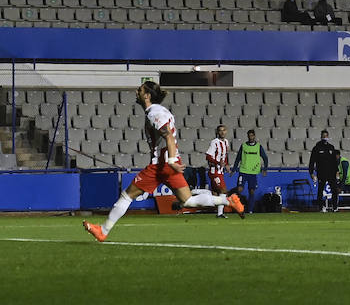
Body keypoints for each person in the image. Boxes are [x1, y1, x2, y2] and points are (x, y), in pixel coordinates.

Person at [84, 82, 243, 242]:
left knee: (127, 196)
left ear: (147, 95)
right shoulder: (160, 111)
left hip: (161, 164)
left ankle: (103, 231)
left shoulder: (154, 112)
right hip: (168, 163)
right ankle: (227, 200)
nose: (136, 92)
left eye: (139, 90)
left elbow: (168, 136)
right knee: (188, 200)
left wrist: (171, 160)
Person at [232, 129, 267, 214]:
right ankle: (238, 208)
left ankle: (250, 210)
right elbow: (238, 158)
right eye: (249, 136)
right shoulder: (244, 146)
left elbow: (265, 158)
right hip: (243, 171)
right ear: (247, 136)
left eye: (252, 135)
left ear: (254, 136)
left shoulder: (258, 146)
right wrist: (234, 169)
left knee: (251, 191)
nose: (250, 137)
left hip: (253, 172)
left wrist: (265, 169)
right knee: (239, 189)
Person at [308, 131, 342, 212]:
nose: (325, 137)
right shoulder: (317, 148)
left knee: (334, 190)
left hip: (331, 173)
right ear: (321, 136)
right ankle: (321, 207)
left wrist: (337, 171)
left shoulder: (331, 147)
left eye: (326, 136)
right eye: (323, 136)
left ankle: (335, 207)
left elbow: (334, 161)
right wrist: (311, 173)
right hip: (321, 173)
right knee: (320, 190)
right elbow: (312, 162)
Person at [205, 124, 232, 219]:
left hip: (220, 171)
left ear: (226, 131)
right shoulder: (214, 142)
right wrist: (217, 162)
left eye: (224, 130)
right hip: (214, 171)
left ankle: (197, 195)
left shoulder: (226, 142)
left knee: (216, 193)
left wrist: (227, 164)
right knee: (223, 190)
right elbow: (208, 156)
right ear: (217, 132)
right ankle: (220, 214)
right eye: (220, 130)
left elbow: (225, 155)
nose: (222, 132)